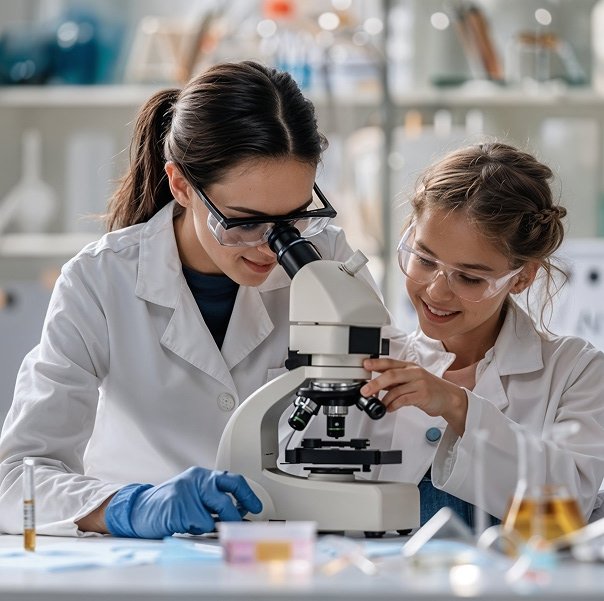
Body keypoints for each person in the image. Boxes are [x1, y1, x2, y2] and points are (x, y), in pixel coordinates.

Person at [0, 61, 374, 538]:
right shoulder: (100, 280)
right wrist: (130, 506)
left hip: (291, 552)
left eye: (294, 218)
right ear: (181, 185)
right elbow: (16, 481)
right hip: (144, 559)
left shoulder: (327, 259)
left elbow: (389, 408)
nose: (270, 247)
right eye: (245, 221)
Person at [358, 142, 604, 527]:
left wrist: (458, 406)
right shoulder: (372, 359)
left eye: (469, 277)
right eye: (424, 259)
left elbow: (565, 513)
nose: (436, 291)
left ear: (522, 277)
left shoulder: (577, 372)